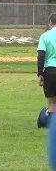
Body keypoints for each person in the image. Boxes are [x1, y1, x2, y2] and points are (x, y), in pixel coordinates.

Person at [37, 13, 56, 170]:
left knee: (51, 103)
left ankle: (50, 126)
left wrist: (40, 73)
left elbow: (41, 55)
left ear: (50, 22)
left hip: (51, 71)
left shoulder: (45, 36)